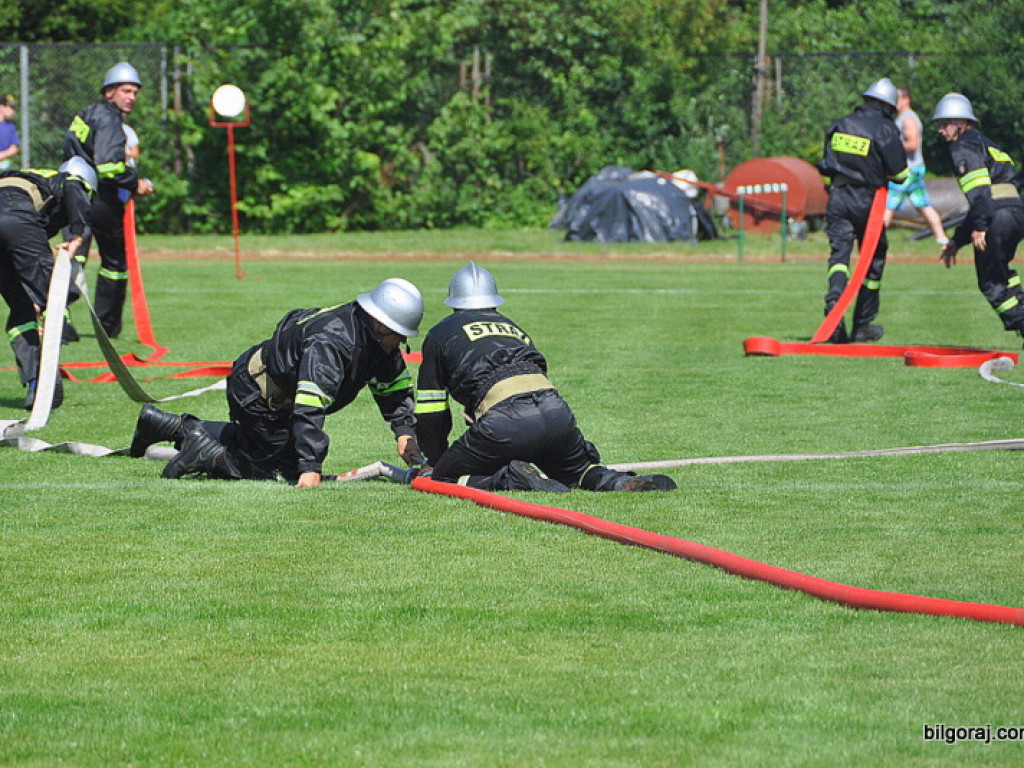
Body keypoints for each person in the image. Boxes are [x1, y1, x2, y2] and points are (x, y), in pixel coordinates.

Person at [128, 278, 426, 487]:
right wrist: (309, 467)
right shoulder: (333, 343)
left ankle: (169, 425)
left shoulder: (371, 335)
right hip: (257, 396)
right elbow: (310, 405)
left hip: (270, 393)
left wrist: (404, 431)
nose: (400, 343)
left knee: (267, 448)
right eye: (398, 335)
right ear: (379, 323)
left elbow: (393, 385)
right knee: (281, 471)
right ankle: (207, 454)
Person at [413, 262, 677, 493]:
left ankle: (509, 480)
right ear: (494, 300)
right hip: (555, 412)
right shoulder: (511, 326)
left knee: (443, 478)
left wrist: (436, 460)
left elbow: (431, 410)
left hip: (506, 422)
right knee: (577, 471)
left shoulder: (440, 334)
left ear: (454, 303)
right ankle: (617, 481)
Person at [63, 62, 154, 339]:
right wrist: (136, 182)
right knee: (114, 262)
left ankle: (57, 320)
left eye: (135, 92)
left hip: (73, 193)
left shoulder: (87, 114)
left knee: (72, 258)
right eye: (126, 91)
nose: (132, 97)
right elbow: (108, 166)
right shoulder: (109, 118)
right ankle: (108, 324)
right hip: (101, 197)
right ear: (109, 92)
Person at [816, 77, 909, 343]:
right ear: (888, 106)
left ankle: (834, 306)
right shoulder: (886, 129)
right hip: (868, 202)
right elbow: (900, 174)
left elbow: (826, 166)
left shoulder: (840, 124)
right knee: (873, 259)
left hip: (838, 197)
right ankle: (862, 324)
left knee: (839, 256)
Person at [0, 158, 96, 409]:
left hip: (11, 215)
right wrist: (77, 235)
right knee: (55, 292)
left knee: (22, 307)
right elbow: (74, 186)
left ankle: (35, 382)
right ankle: (57, 339)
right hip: (13, 213)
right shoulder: (67, 180)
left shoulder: (33, 180)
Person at [933, 93, 1024, 340]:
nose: (940, 130)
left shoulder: (962, 147)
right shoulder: (988, 144)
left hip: (997, 217)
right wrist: (957, 240)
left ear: (960, 123)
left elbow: (981, 193)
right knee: (1002, 274)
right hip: (1016, 213)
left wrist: (981, 226)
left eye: (945, 124)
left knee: (990, 282)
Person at [882, 87, 949, 246]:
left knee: (887, 205)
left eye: (896, 99)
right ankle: (942, 238)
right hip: (914, 169)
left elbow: (912, 144)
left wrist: (889, 148)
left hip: (907, 171)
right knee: (923, 205)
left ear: (906, 99)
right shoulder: (903, 118)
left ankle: (876, 238)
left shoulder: (908, 120)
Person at [0, 94, 19, 171]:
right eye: (11, 107)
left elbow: (14, 148)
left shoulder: (10, 127)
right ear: (1, 107)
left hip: (4, 168)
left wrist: (2, 155)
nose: (13, 111)